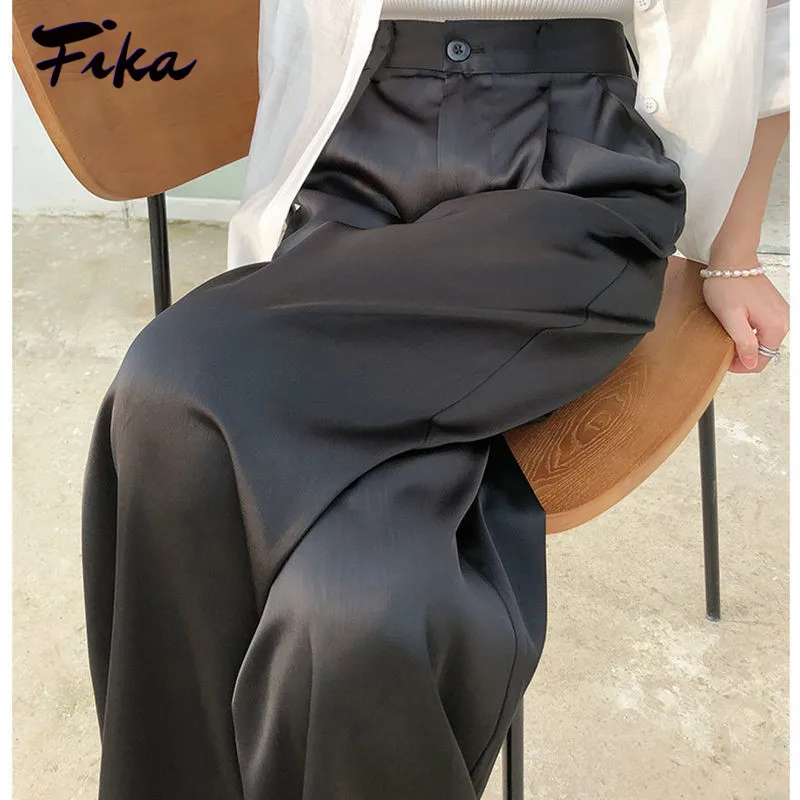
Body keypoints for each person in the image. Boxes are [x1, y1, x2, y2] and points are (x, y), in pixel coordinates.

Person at [81, 3, 790, 799]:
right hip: (353, 157)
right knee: (356, 610)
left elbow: (770, 25)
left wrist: (733, 253)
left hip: (570, 174)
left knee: (174, 381)